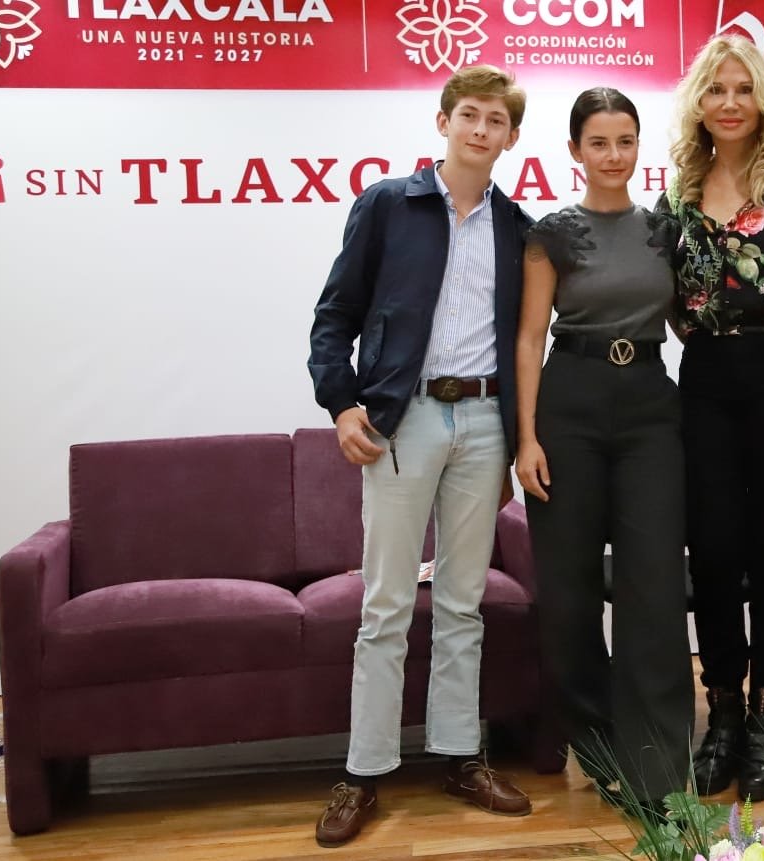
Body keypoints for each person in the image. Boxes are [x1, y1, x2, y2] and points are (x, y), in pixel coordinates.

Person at [307, 65, 534, 848]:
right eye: (468, 114)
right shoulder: (386, 204)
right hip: (401, 421)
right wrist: (341, 403)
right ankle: (363, 771)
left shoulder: (517, 227)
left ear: (511, 136)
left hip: (485, 422)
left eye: (495, 120)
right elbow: (335, 314)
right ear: (444, 122)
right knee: (386, 603)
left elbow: (525, 340)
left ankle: (460, 756)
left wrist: (520, 435)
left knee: (464, 600)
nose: (480, 129)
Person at [658, 35, 764, 802]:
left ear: (760, 96)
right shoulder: (680, 186)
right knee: (712, 548)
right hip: (704, 376)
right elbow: (671, 297)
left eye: (741, 88)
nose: (728, 102)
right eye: (714, 89)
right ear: (698, 102)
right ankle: (722, 711)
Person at [515, 87, 694, 812]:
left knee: (655, 587)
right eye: (598, 143)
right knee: (568, 590)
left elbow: (686, 323)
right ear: (575, 151)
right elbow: (530, 336)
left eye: (625, 141)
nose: (613, 155)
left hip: (650, 405)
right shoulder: (551, 233)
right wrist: (526, 438)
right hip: (570, 404)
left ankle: (658, 766)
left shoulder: (665, 230)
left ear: (638, 146)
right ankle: (597, 746)